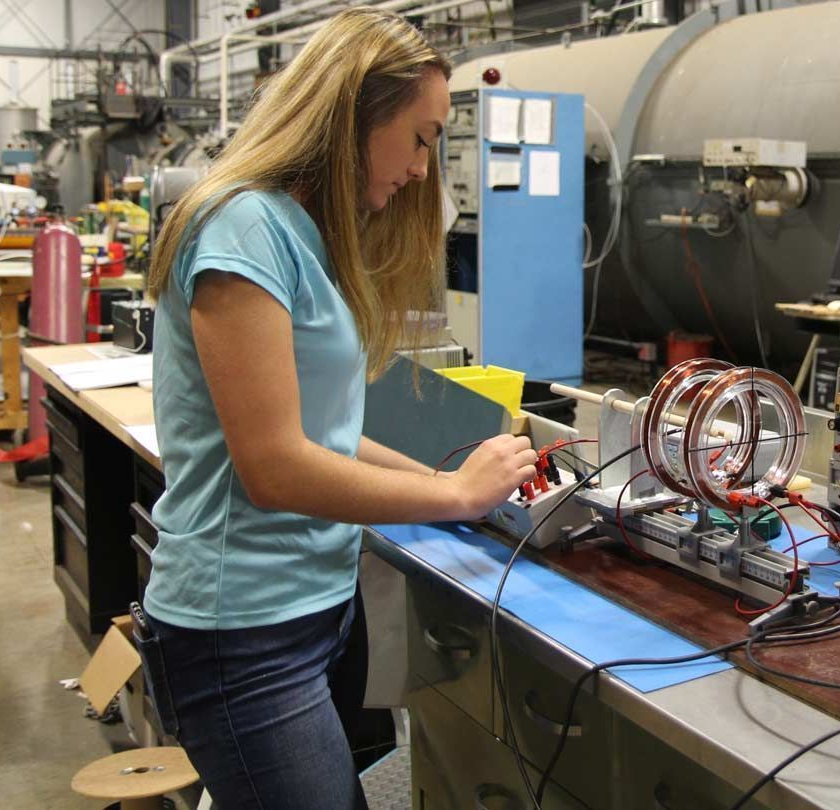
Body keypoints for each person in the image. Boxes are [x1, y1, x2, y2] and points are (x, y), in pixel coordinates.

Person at [136, 8, 538, 808]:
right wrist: (454, 494)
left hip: (313, 611)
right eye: (421, 138)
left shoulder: (302, 233)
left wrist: (441, 480)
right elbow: (276, 467)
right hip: (239, 630)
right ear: (353, 113)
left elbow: (330, 436)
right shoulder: (244, 228)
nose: (426, 169)